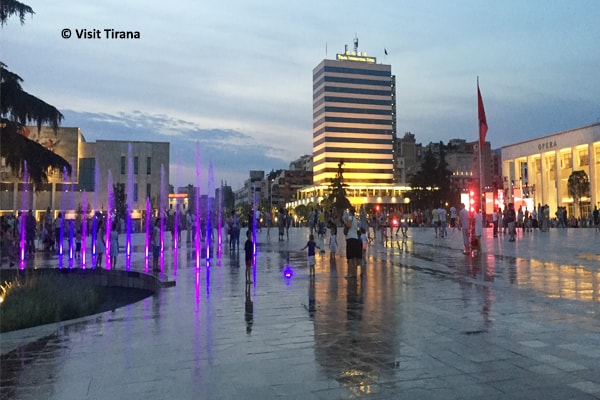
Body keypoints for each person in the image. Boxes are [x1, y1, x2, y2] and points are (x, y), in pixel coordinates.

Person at [344, 206, 362, 278]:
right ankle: (354, 273)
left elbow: (349, 225)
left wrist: (345, 223)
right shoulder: (355, 219)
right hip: (355, 238)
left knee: (350, 257)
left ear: (350, 212)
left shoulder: (350, 217)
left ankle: (350, 273)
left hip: (350, 238)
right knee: (354, 257)